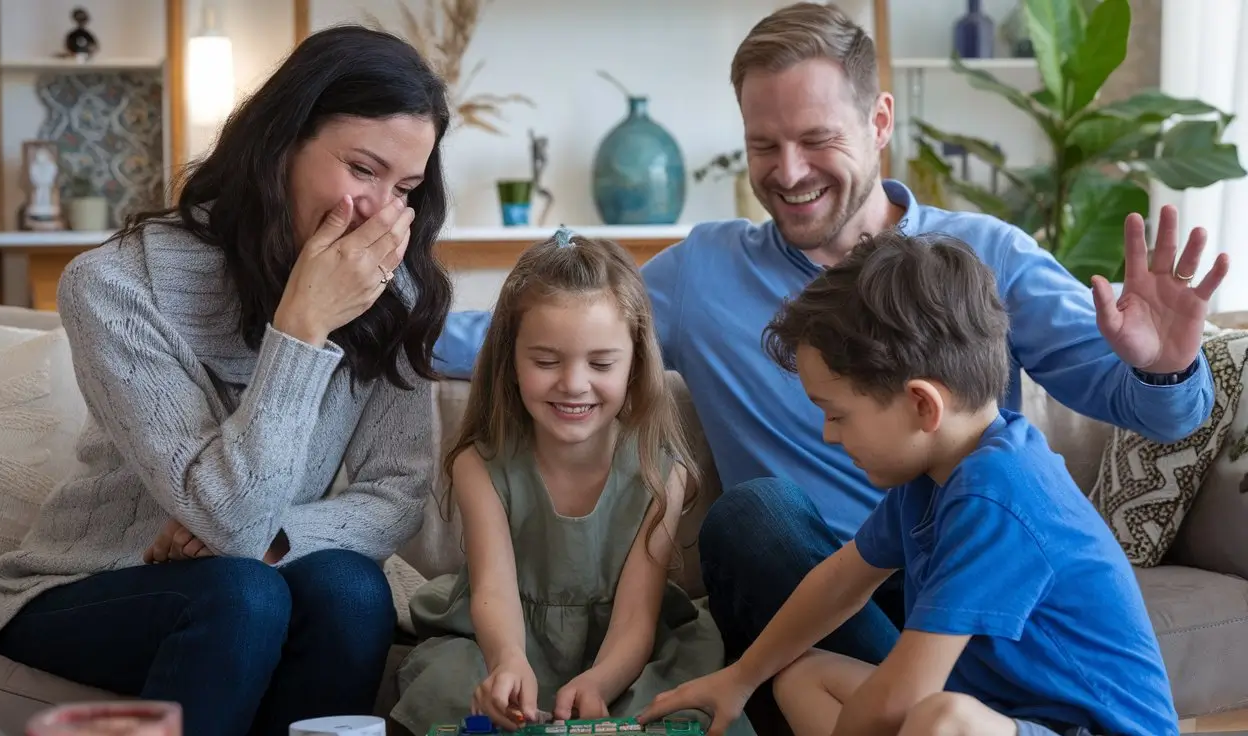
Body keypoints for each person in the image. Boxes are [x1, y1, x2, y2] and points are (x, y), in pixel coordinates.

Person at [431, 1, 1228, 669]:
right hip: (812, 585)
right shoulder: (702, 274)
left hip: (970, 583)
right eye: (762, 146)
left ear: (879, 119)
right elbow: (520, 336)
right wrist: (365, 317)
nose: (788, 170)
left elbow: (1165, 416)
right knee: (752, 516)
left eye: (815, 139)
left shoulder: (986, 257)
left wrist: (1167, 367)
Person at [0, 25, 454, 736]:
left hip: (256, 576)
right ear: (282, 143)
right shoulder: (116, 285)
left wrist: (277, 539)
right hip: (92, 585)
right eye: (362, 169)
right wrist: (302, 328)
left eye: (405, 187)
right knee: (241, 594)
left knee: (349, 587)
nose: (379, 210)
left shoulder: (391, 292)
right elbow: (229, 517)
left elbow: (396, 493)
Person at [637, 230, 1180, 736]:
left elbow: (907, 695)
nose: (828, 434)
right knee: (802, 678)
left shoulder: (997, 493)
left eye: (838, 414)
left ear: (922, 404)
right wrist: (742, 677)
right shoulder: (932, 477)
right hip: (1004, 717)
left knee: (942, 718)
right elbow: (839, 581)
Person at [390, 229, 754, 736]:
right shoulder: (480, 465)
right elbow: (493, 594)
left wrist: (601, 682)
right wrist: (508, 663)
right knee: (450, 684)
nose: (574, 383)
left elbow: (634, 621)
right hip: (503, 638)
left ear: (634, 365)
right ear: (511, 364)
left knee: (683, 698)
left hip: (624, 653)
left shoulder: (659, 472)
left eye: (601, 363)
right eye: (545, 361)